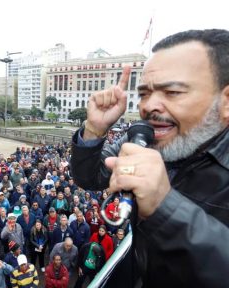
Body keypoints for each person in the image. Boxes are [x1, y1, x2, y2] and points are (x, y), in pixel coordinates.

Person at [70, 29, 229, 287]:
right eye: (144, 93)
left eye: (173, 92)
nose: (149, 106)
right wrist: (94, 130)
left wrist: (165, 207)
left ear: (226, 101)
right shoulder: (146, 137)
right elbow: (90, 177)